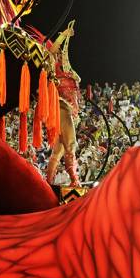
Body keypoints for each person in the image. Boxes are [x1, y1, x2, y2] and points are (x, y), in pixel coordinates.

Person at [46, 21, 83, 186]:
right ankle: (75, 181)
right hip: (62, 106)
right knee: (71, 144)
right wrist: (63, 35)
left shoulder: (66, 68)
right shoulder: (52, 63)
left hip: (68, 109)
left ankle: (47, 182)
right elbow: (52, 50)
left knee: (58, 151)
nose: (60, 54)